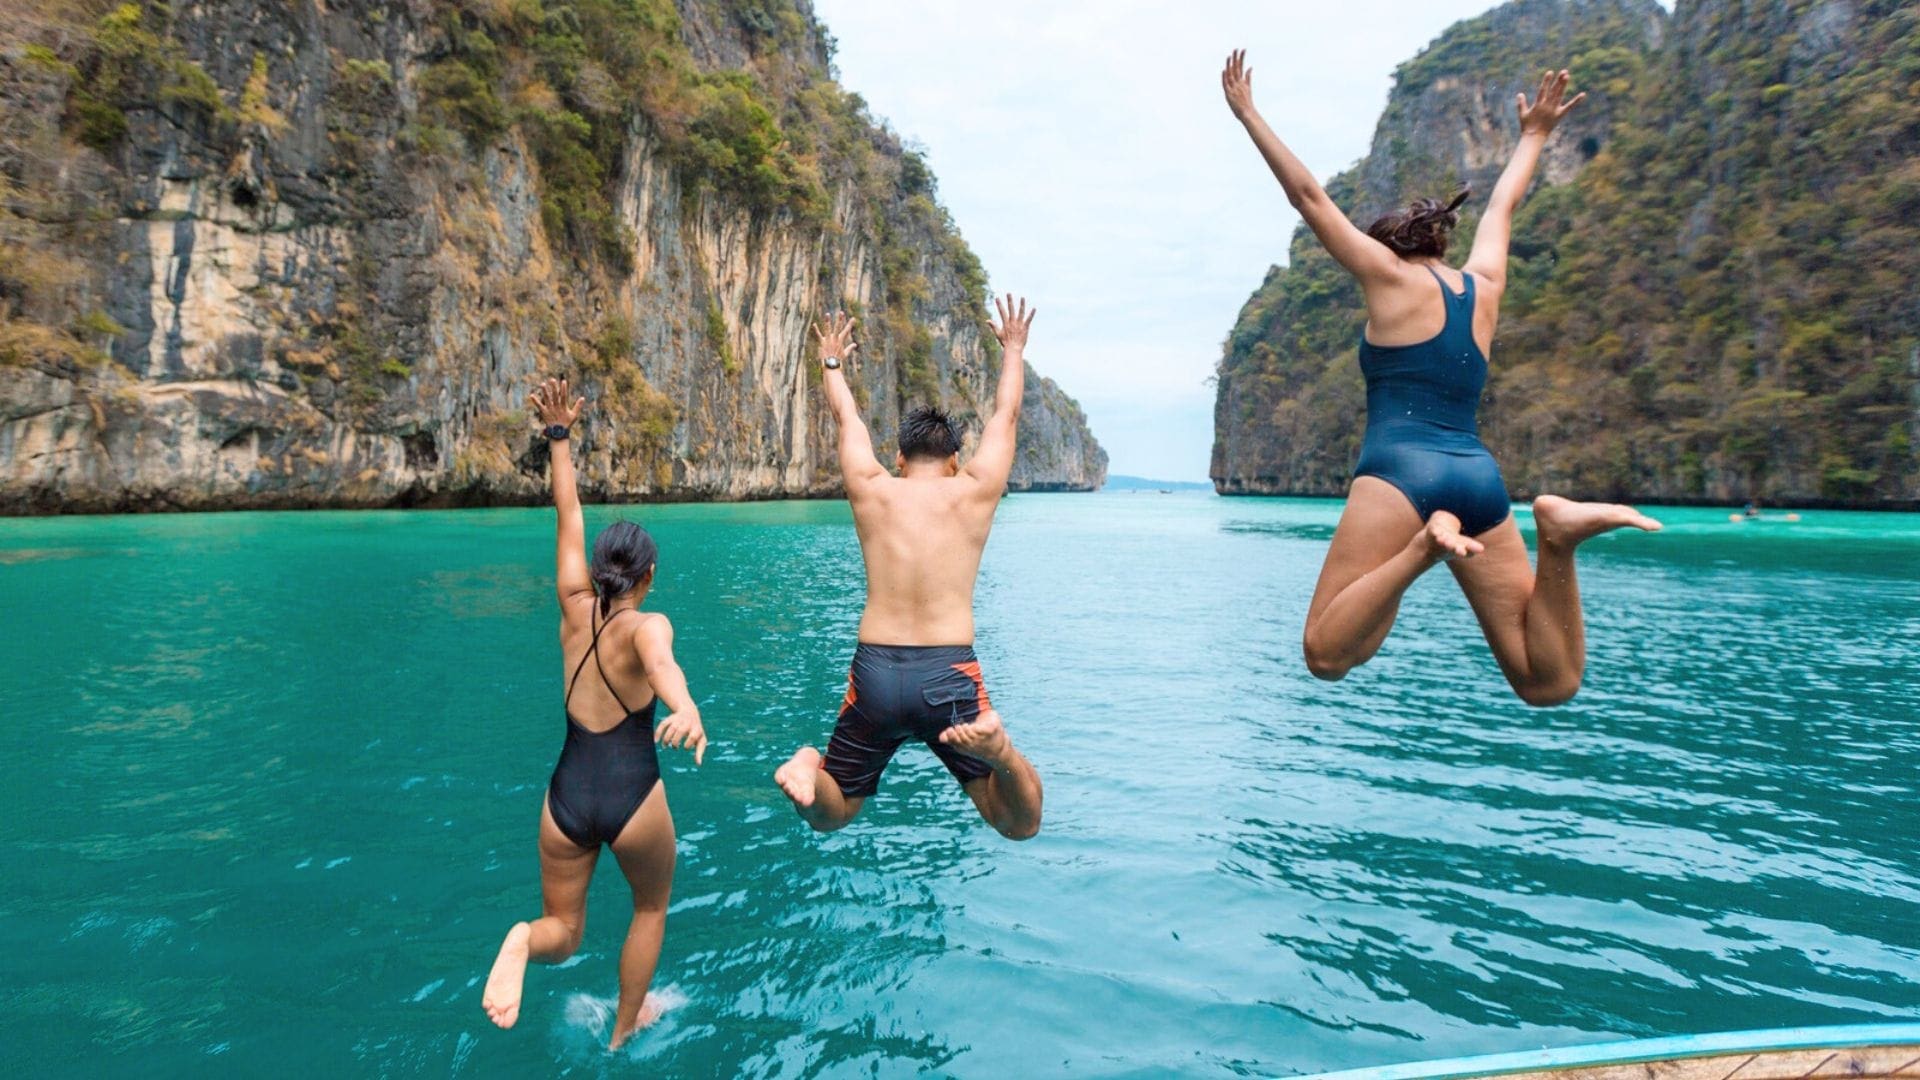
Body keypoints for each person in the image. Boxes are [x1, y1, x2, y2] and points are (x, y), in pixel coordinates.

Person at [1221, 52, 1661, 706]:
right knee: (1548, 682)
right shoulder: (1483, 287)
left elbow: (1309, 197)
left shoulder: (1385, 277)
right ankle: (1559, 539)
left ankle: (1426, 550)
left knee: (1325, 653)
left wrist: (1249, 115)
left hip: (1400, 475)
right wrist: (1535, 133)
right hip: (1478, 478)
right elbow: (1504, 206)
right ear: (1438, 245)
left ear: (1391, 247)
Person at [482, 377, 709, 1049]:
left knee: (563, 930)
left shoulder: (571, 605)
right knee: (650, 905)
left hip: (566, 797)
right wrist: (687, 706)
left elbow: (568, 512)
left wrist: (559, 438)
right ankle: (624, 1027)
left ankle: (522, 941)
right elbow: (663, 665)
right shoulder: (647, 625)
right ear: (647, 577)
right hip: (632, 795)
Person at [773, 301, 1045, 838]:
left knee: (833, 812)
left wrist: (832, 363)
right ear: (953, 462)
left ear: (898, 460)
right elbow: (1005, 417)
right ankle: (1002, 752)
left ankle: (807, 766)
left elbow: (845, 419)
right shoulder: (973, 490)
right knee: (1017, 821)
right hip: (948, 675)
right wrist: (1012, 349)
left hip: (874, 671)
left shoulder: (873, 489)